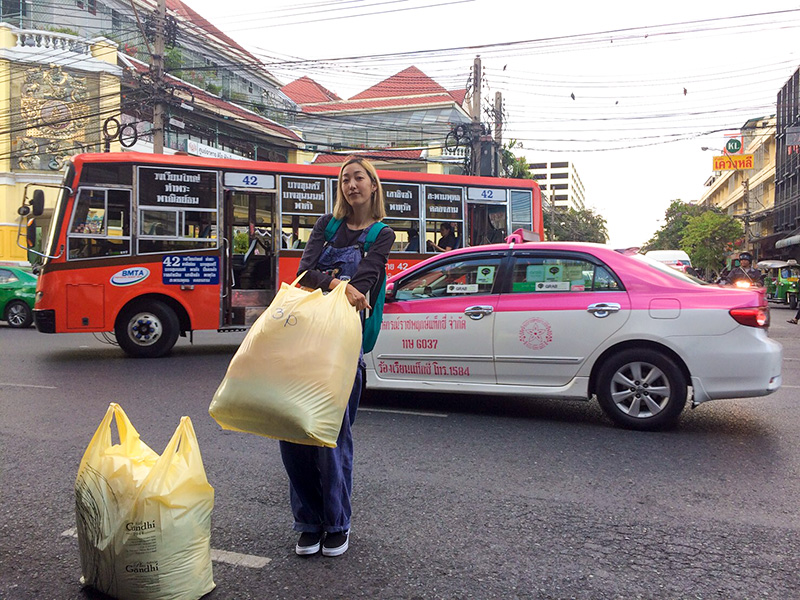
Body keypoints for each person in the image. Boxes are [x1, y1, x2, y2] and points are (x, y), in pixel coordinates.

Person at [280, 156, 395, 558]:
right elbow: (303, 273)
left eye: (358, 177)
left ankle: (336, 522)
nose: (351, 185)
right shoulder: (325, 226)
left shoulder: (383, 234)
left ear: (372, 185)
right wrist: (336, 283)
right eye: (344, 179)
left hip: (344, 350)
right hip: (304, 344)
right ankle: (308, 521)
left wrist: (331, 282)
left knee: (330, 438)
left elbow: (365, 282)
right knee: (293, 433)